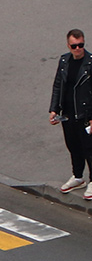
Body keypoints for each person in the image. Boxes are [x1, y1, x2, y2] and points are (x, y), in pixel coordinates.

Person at [50, 29, 92, 197]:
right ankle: (78, 176)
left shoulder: (90, 63)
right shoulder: (64, 61)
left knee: (89, 148)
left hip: (85, 113)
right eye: (74, 46)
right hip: (67, 113)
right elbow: (58, 86)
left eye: (80, 45)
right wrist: (54, 109)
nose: (78, 49)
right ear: (68, 45)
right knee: (73, 146)